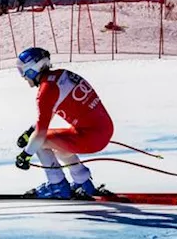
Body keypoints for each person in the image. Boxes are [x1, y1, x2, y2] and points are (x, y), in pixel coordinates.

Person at [13, 47, 114, 199]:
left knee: (40, 142)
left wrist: (25, 155)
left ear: (33, 69)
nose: (23, 77)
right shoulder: (61, 75)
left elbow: (40, 134)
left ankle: (57, 185)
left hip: (91, 137)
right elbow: (50, 112)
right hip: (100, 131)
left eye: (23, 71)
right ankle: (83, 182)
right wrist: (29, 132)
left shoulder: (46, 91)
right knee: (58, 143)